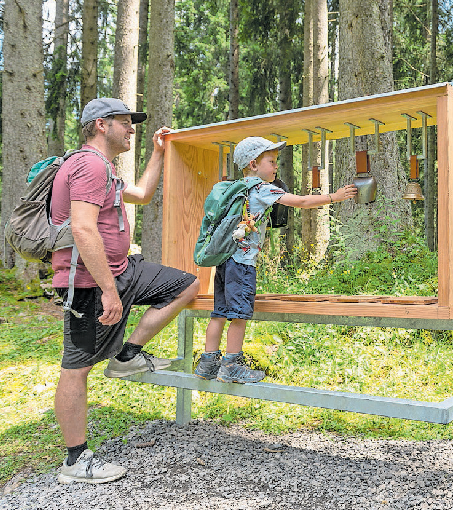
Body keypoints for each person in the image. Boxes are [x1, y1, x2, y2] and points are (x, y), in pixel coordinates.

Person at [51, 98, 200, 484]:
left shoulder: (105, 168)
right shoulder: (87, 165)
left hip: (121, 270)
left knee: (185, 285)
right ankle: (75, 460)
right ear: (101, 125)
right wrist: (108, 291)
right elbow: (83, 229)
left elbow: (143, 195)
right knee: (77, 367)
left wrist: (158, 152)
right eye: (125, 121)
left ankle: (127, 354)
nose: (131, 128)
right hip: (89, 282)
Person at [194, 136, 356, 384]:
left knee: (219, 313)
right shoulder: (260, 189)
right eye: (271, 161)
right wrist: (335, 196)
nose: (275, 166)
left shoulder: (235, 189)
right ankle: (231, 365)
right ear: (253, 164)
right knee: (238, 315)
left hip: (225, 261)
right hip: (242, 264)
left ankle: (208, 363)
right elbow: (300, 201)